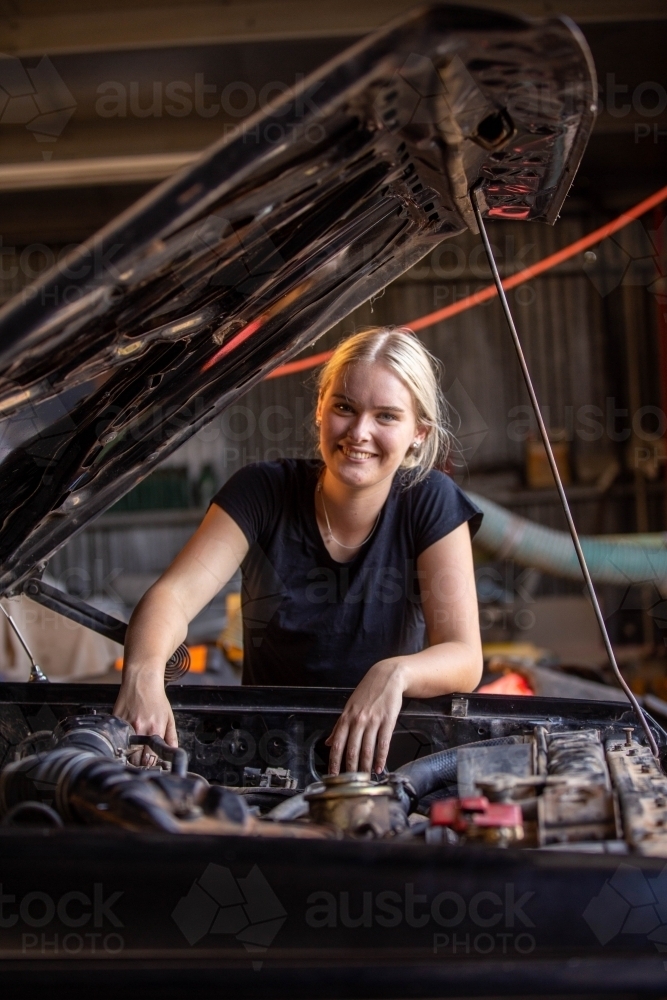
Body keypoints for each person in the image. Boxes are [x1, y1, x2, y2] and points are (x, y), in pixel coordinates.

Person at [113, 327, 483, 775]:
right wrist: (144, 674)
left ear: (418, 433)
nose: (360, 432)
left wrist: (395, 673)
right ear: (319, 410)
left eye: (386, 416)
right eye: (344, 407)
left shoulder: (431, 500)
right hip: (264, 761)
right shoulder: (262, 492)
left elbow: (464, 654)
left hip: (385, 763)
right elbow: (173, 597)